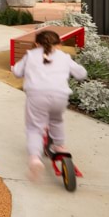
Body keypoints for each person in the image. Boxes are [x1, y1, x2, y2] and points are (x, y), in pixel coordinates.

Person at [11, 28, 87, 181]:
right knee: (56, 120)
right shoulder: (64, 57)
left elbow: (17, 72)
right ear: (59, 44)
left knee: (34, 128)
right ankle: (59, 146)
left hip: (37, 96)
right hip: (60, 96)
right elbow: (81, 74)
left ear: (37, 43)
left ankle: (35, 159)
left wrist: (19, 69)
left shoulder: (30, 55)